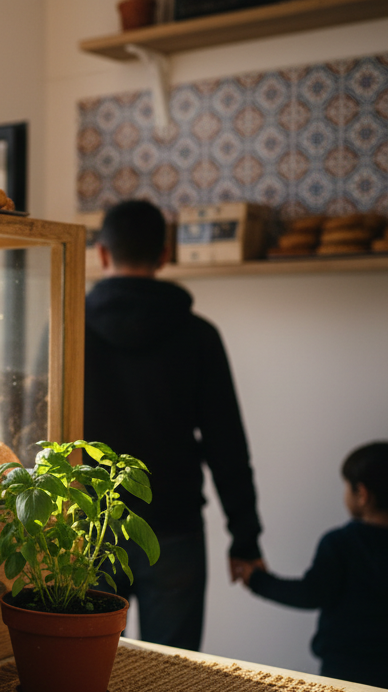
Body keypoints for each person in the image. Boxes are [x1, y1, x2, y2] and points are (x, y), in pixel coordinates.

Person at [84, 198, 264, 651]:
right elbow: (227, 443)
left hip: (89, 527)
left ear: (102, 254)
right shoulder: (199, 335)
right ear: (165, 255)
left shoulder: (68, 326)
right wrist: (245, 539)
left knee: (83, 667)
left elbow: (39, 433)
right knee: (175, 679)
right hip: (174, 527)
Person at [243, 441, 388, 692]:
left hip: (346, 682)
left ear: (362, 494)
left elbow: (311, 594)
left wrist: (257, 581)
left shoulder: (341, 544)